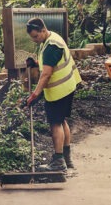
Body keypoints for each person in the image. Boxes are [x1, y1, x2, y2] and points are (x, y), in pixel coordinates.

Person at [25, 17, 83, 172]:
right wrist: (36, 64)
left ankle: (58, 161)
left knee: (55, 123)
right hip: (67, 86)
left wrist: (35, 94)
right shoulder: (52, 38)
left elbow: (46, 74)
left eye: (36, 36)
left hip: (59, 91)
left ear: (43, 30)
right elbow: (49, 63)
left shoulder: (51, 46)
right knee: (62, 120)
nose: (35, 40)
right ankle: (66, 158)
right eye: (33, 38)